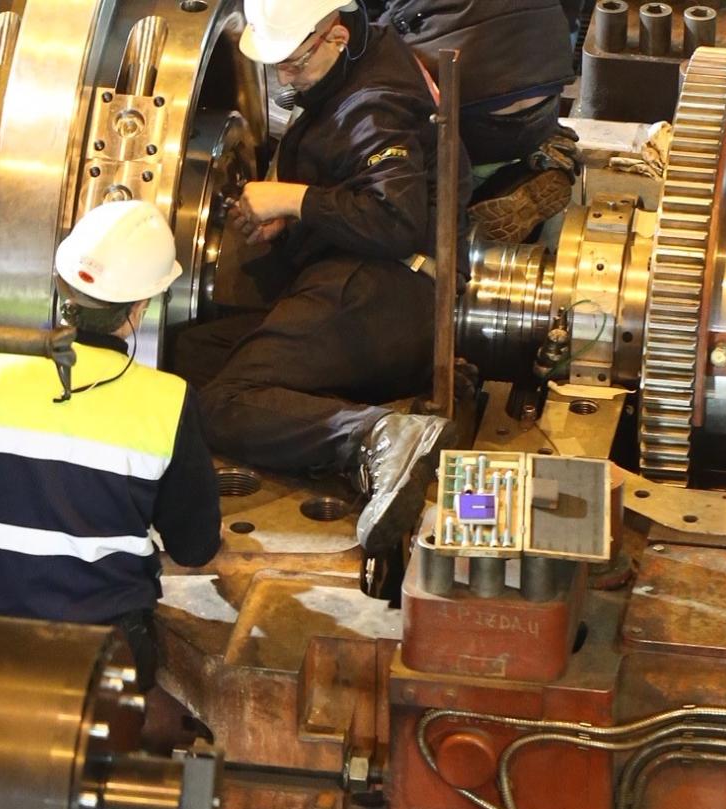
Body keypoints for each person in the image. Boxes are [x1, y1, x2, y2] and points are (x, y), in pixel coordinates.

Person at [0, 200, 221, 689]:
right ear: (141, 306)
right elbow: (195, 547)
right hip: (103, 656)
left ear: (60, 285)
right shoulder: (169, 402)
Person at [179, 0, 463, 558]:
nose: (285, 78)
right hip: (353, 273)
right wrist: (293, 221)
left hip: (387, 292)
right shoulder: (361, 52)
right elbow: (353, 179)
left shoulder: (373, 103)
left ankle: (380, 437)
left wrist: (293, 198)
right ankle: (335, 414)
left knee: (224, 403)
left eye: (295, 63)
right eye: (276, 65)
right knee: (187, 359)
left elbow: (396, 220)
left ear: (333, 36)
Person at [376, 0, 580, 243]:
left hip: (476, 114)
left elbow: (374, 35)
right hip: (545, 96)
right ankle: (527, 162)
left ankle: (475, 199)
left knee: (378, 108)